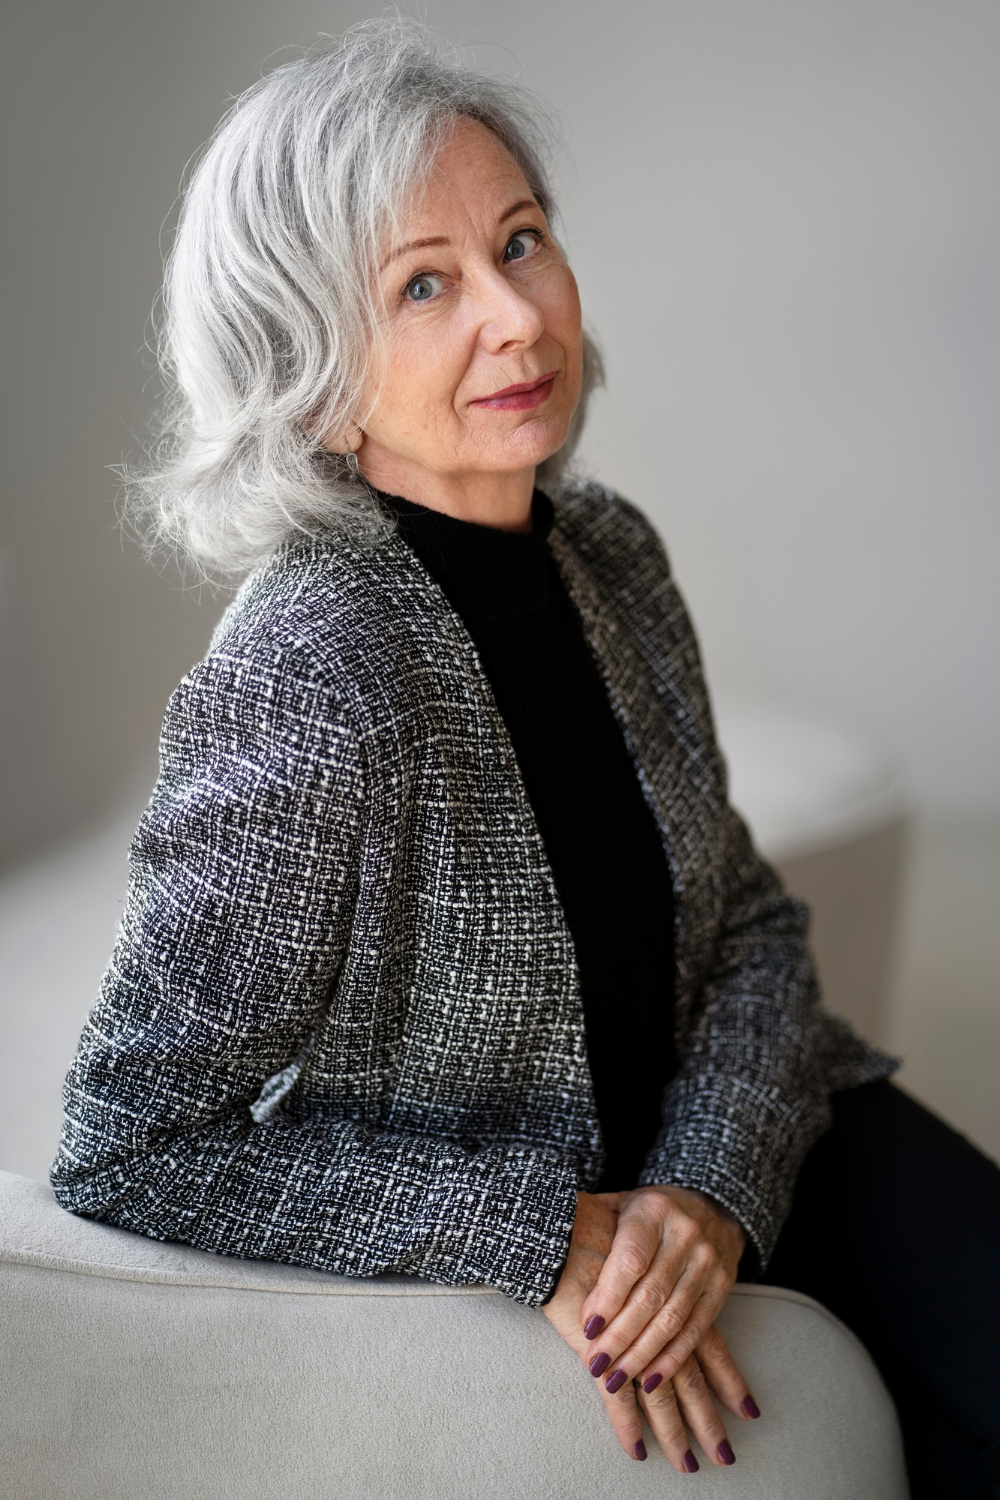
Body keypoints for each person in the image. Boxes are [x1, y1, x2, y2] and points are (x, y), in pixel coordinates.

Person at [51, 19, 1000, 1493]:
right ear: (310, 368)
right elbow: (132, 1140)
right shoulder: (314, 665)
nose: (517, 315)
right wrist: (544, 1233)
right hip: (549, 1230)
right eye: (423, 284)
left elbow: (746, 925)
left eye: (522, 241)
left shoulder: (611, 552)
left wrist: (706, 1187)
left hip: (741, 1141)